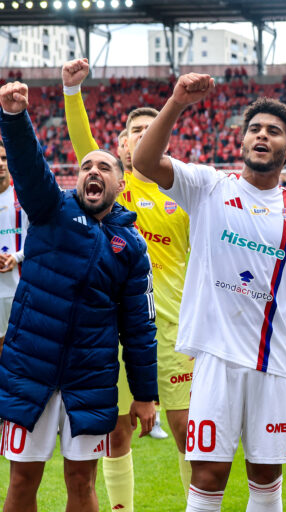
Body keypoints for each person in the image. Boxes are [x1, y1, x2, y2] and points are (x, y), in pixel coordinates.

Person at [132, 72, 286, 512]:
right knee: (208, 476)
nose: (261, 135)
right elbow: (145, 162)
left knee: (266, 478)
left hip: (274, 363)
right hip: (215, 359)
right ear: (243, 142)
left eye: (273, 131)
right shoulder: (210, 186)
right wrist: (175, 103)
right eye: (254, 129)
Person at [0, 81, 157, 512]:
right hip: (29, 370)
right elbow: (29, 166)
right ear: (77, 177)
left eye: (105, 168)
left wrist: (144, 394)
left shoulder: (132, 247)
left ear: (120, 186)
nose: (94, 171)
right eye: (87, 165)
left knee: (81, 485)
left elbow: (140, 328)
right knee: (21, 484)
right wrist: (14, 118)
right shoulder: (52, 209)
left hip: (90, 379)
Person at [62, 56, 193, 510]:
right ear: (120, 148)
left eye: (152, 130)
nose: (143, 136)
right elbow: (84, 144)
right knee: (116, 432)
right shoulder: (115, 190)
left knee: (185, 431)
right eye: (135, 131)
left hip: (174, 332)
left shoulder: (184, 195)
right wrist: (73, 94)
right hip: (114, 332)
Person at [0, 140, 27, 356]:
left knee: (22, 346)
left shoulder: (24, 197)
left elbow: (36, 239)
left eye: (3, 158)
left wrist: (16, 258)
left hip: (21, 287)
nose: (0, 163)